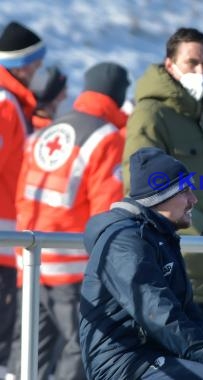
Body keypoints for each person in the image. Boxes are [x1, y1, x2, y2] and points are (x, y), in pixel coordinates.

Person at [80, 147, 203, 380]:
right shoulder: (124, 241)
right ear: (158, 197)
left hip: (153, 354)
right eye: (184, 191)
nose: (194, 199)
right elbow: (160, 317)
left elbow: (191, 320)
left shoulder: (160, 236)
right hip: (123, 363)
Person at [6, 62, 130, 380]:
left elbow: (22, 194)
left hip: (32, 261)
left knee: (29, 351)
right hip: (73, 268)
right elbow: (106, 211)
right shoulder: (107, 137)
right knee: (84, 346)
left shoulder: (46, 131)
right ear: (117, 96)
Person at [122, 27, 203, 329]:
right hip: (180, 263)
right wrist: (202, 236)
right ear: (170, 64)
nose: (200, 71)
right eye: (192, 63)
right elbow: (142, 187)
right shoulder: (152, 114)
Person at [0, 20, 46, 369]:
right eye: (37, 62)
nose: (40, 70)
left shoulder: (16, 103)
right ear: (22, 65)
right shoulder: (5, 104)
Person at [29, 65, 68, 130]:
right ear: (55, 95)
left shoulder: (26, 118)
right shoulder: (47, 129)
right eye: (63, 91)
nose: (65, 96)